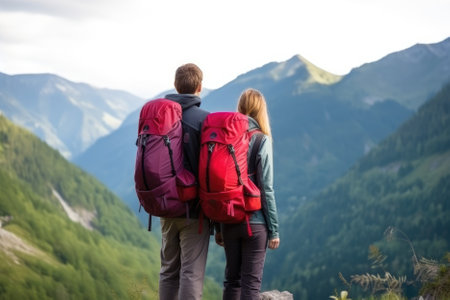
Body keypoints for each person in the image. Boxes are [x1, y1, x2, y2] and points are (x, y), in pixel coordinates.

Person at [215, 88, 280, 299]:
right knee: (250, 285)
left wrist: (218, 226)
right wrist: (274, 230)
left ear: (240, 107)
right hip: (255, 221)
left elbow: (218, 182)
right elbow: (266, 188)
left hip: (229, 219)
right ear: (261, 110)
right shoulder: (262, 140)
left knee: (232, 280)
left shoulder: (226, 137)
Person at [159, 63, 210, 300]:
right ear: (199, 87)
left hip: (166, 206)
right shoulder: (205, 120)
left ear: (175, 86)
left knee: (168, 270)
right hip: (194, 210)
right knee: (191, 273)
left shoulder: (161, 119)